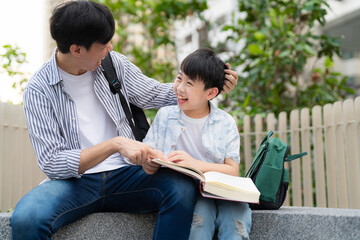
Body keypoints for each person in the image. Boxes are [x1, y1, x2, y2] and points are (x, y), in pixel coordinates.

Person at [10, 1, 239, 239]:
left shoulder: (112, 64)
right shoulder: (39, 89)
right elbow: (52, 162)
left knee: (180, 189)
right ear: (77, 50)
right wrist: (115, 144)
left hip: (127, 175)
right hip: (74, 184)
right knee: (27, 218)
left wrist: (205, 88)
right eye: (103, 44)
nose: (110, 47)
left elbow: (153, 93)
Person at [143, 48, 251, 240]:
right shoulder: (166, 116)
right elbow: (149, 151)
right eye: (179, 78)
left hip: (222, 191)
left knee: (236, 224)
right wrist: (150, 161)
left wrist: (195, 164)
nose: (180, 88)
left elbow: (232, 170)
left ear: (211, 93)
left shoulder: (225, 122)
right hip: (189, 191)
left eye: (189, 83)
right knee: (199, 223)